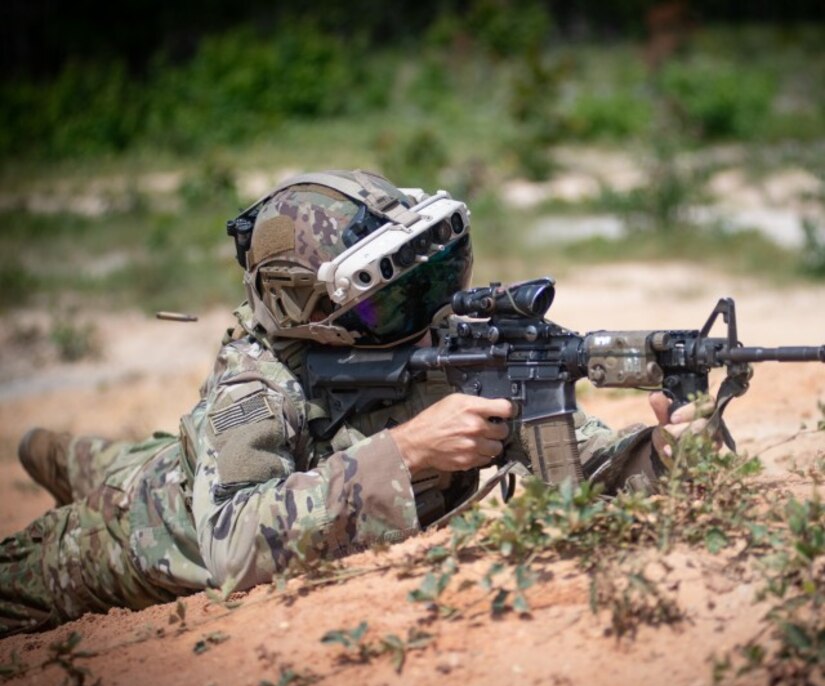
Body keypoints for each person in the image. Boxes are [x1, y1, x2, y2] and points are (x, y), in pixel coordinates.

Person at [0, 169, 711, 637]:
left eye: (438, 277)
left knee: (109, 454)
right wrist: (404, 455)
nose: (432, 308)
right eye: (398, 296)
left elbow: (586, 466)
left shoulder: (452, 345)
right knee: (72, 532)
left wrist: (662, 455)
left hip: (175, 459)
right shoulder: (256, 385)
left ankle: (57, 450)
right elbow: (229, 545)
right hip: (145, 530)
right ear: (315, 312)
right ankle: (55, 456)